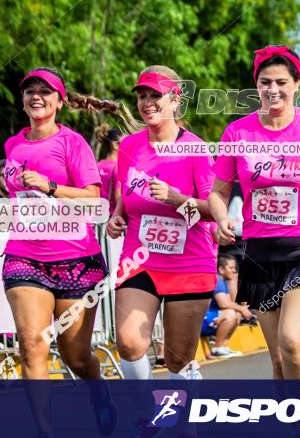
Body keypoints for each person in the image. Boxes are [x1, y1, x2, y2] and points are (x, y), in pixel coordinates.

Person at [208, 45, 300, 380]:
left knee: (291, 338)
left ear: (296, 84)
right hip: (259, 253)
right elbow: (218, 192)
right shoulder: (237, 133)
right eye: (265, 82)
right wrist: (221, 217)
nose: (273, 89)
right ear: (256, 85)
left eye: (281, 82)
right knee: (277, 360)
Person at [0, 67, 119, 435]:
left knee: (76, 356)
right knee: (32, 345)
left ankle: (98, 392)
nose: (37, 96)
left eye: (45, 91)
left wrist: (51, 186)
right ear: (23, 100)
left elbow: (93, 197)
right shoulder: (12, 145)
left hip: (75, 261)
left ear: (59, 101)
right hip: (24, 256)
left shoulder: (73, 143)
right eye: (30, 91)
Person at [107, 65, 217, 382]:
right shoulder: (129, 147)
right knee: (129, 343)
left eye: (156, 95)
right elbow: (126, 195)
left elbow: (212, 208)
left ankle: (181, 425)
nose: (147, 102)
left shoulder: (195, 149)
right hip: (140, 260)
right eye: (142, 95)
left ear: (175, 99)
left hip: (189, 262)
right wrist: (118, 215)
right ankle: (144, 416)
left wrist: (175, 198)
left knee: (177, 359)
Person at [201, 255, 252, 357]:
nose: (234, 271)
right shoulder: (217, 280)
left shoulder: (223, 281)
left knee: (236, 314)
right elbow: (223, 304)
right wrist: (242, 308)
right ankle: (217, 348)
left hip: (212, 317)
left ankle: (221, 346)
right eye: (231, 268)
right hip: (203, 320)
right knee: (230, 313)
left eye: (235, 268)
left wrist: (241, 309)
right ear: (221, 269)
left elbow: (229, 303)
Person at [95, 124, 121, 214]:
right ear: (115, 145)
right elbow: (118, 199)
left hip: (96, 217)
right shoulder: (119, 168)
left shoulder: (96, 166)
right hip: (111, 218)